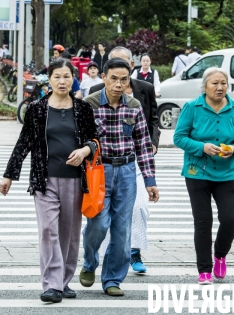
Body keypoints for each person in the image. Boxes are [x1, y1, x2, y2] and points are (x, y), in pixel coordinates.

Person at [0, 58, 98, 303]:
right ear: (50, 80)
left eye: (67, 76)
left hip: (75, 179)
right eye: (57, 76)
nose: (62, 81)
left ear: (73, 78)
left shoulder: (83, 109)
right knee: (47, 230)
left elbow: (95, 140)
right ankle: (52, 285)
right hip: (44, 179)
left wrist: (85, 150)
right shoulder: (37, 109)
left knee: (70, 234)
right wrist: (9, 174)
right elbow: (24, 142)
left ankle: (64, 281)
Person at [80, 58, 159, 297]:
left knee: (122, 229)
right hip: (98, 172)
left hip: (126, 171)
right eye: (113, 78)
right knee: (98, 223)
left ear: (129, 81)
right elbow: (80, 141)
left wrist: (149, 181)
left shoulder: (134, 106)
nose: (118, 84)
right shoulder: (89, 104)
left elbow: (144, 145)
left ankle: (112, 278)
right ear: (104, 77)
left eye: (123, 79)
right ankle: (90, 262)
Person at [173, 67, 234, 285]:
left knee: (231, 219)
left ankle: (220, 255)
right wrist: (202, 147)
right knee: (203, 221)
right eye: (215, 83)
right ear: (205, 86)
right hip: (197, 171)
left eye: (223, 83)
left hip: (227, 172)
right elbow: (179, 138)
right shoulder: (192, 107)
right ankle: (204, 269)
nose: (219, 87)